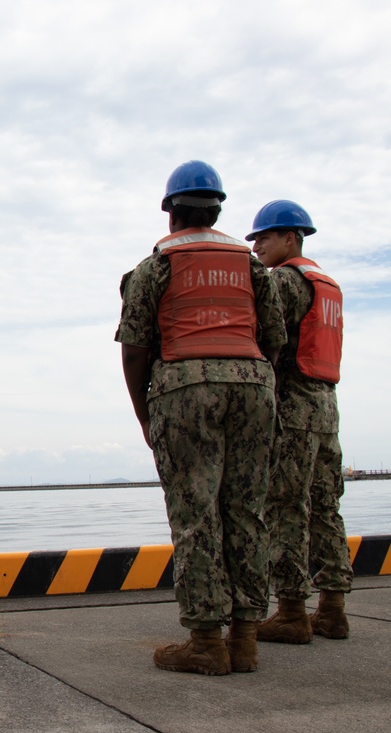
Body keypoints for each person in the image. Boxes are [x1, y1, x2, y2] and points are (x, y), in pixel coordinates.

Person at [115, 160, 287, 675]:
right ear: (217, 210)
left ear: (171, 213)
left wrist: (146, 415)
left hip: (184, 389)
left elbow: (134, 350)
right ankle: (247, 638)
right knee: (247, 511)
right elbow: (275, 337)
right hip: (255, 384)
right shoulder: (252, 266)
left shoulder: (154, 268)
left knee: (196, 516)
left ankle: (207, 642)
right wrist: (252, 380)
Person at [247, 200, 353, 643]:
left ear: (291, 237)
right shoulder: (327, 283)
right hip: (326, 406)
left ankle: (291, 609)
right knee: (325, 507)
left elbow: (264, 333)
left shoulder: (285, 282)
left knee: (285, 506)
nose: (256, 248)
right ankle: (332, 607)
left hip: (291, 406)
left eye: (264, 238)